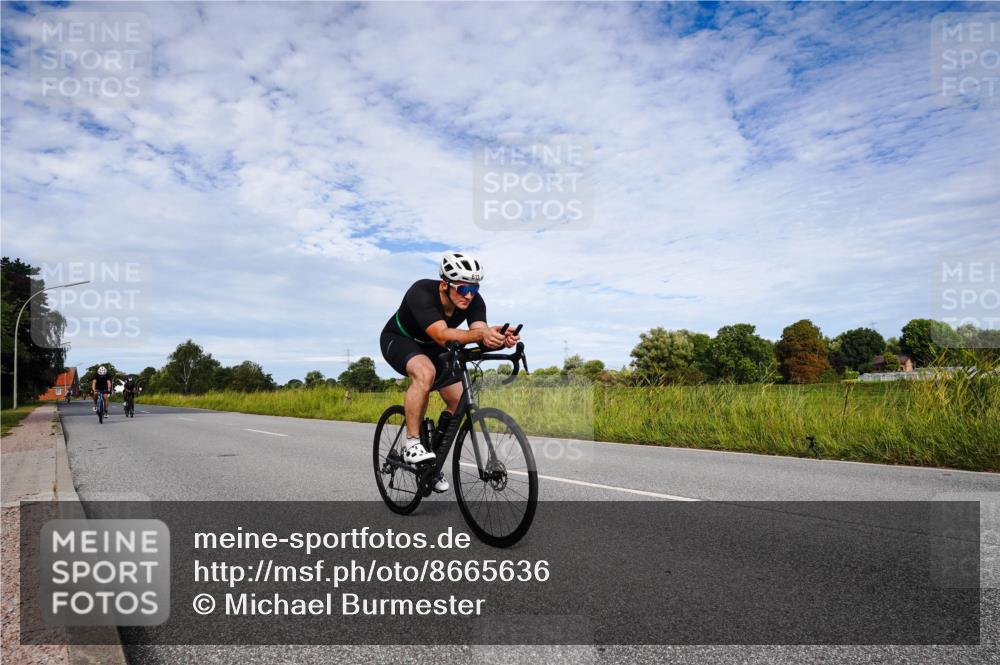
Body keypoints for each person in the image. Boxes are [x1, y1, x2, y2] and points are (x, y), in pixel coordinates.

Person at [380, 252, 519, 493]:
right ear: (445, 285)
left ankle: (431, 462)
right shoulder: (421, 292)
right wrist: (480, 334)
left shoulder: (474, 301)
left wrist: (497, 339)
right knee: (425, 372)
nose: (469, 295)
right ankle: (412, 443)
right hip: (400, 339)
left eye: (474, 289)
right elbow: (442, 335)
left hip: (435, 347)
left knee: (458, 399)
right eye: (463, 289)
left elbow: (478, 332)